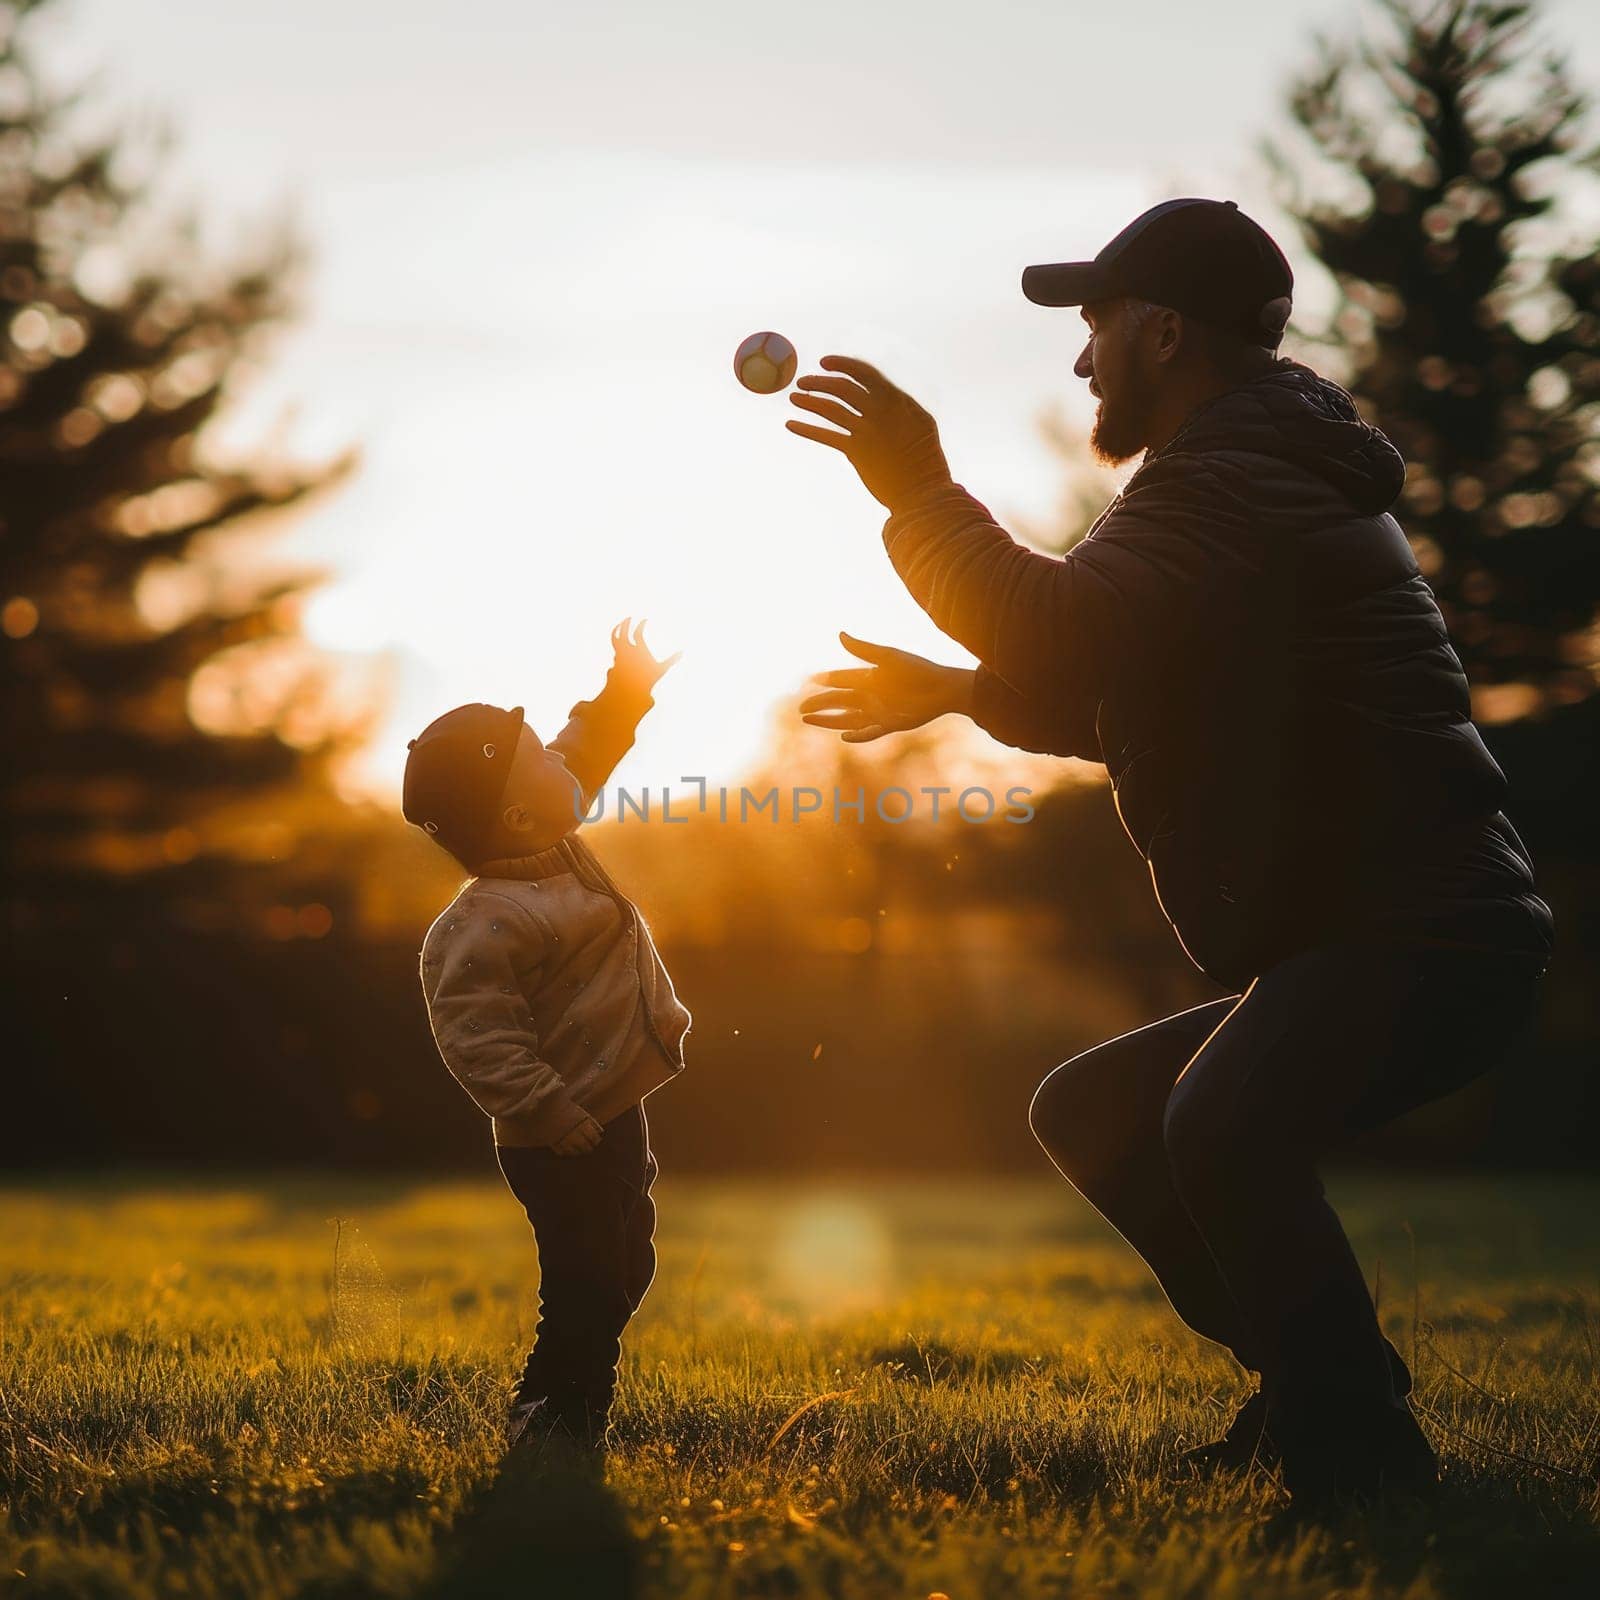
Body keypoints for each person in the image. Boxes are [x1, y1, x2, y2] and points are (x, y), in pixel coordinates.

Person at [789, 198, 1554, 1506]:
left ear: (1160, 332)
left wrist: (918, 488)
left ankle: (1361, 1469)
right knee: (1097, 1113)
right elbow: (1134, 696)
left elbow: (1059, 627)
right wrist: (962, 693)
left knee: (1218, 1123)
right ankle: (1316, 1382)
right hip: (1382, 926)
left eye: (1094, 329)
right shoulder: (1247, 474)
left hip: (1423, 929)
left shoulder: (1234, 480)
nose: (1082, 359)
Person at [402, 619, 691, 1454]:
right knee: (588, 1274)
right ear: (521, 811)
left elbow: (582, 749)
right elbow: (477, 1037)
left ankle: (560, 1399)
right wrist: (547, 1110)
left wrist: (626, 689)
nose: (569, 765)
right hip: (556, 1131)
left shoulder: (550, 836)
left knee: (626, 1262)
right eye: (545, 763)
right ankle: (561, 1411)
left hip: (610, 1106)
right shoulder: (484, 923)